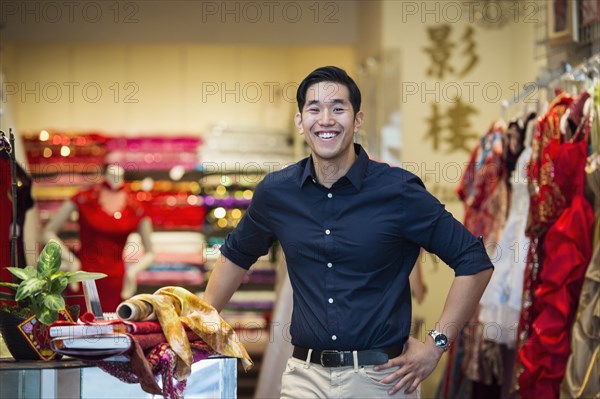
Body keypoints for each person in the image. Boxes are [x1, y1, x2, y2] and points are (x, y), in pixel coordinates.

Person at [204, 66, 493, 398]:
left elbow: (474, 260)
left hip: (380, 379)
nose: (326, 119)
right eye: (314, 108)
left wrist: (435, 345)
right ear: (300, 122)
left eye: (338, 108)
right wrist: (199, 325)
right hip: (304, 377)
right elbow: (235, 255)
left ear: (357, 120)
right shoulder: (277, 193)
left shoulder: (398, 191)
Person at [42, 164, 155, 312]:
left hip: (116, 282)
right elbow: (47, 232)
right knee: (79, 326)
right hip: (82, 276)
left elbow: (151, 253)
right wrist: (71, 261)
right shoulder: (84, 198)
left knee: (112, 328)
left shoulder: (136, 207)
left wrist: (133, 272)